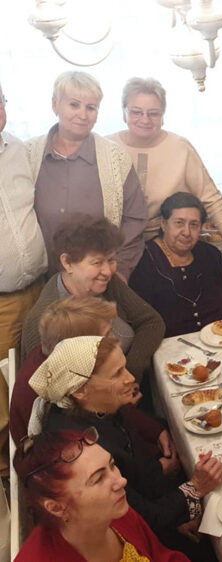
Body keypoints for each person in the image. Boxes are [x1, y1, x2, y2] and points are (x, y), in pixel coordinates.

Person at [28, 335, 222, 560]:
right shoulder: (81, 448)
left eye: (125, 367)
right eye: (117, 373)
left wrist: (180, 507)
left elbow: (140, 470)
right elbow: (140, 516)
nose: (131, 378)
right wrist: (195, 488)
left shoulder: (103, 406)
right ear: (80, 390)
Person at [27, 71, 147, 279]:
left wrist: (120, 271)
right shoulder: (28, 154)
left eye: (91, 107)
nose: (83, 115)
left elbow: (135, 220)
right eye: (74, 105)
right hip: (41, 281)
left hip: (100, 281)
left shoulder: (116, 158)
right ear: (55, 105)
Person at [19, 216, 165, 383]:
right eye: (97, 262)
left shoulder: (105, 283)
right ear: (67, 263)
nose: (108, 271)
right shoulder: (45, 321)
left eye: (111, 260)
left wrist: (130, 372)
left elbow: (152, 322)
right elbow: (53, 388)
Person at [14, 428, 190, 561]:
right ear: (56, 507)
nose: (121, 481)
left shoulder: (117, 513)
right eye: (98, 479)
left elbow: (162, 557)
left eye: (112, 465)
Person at [109, 77, 222, 253]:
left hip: (168, 244)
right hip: (117, 244)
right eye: (136, 112)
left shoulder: (180, 147)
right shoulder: (106, 148)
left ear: (163, 116)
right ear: (124, 113)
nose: (145, 119)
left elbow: (211, 198)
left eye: (153, 113)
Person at [0, 79, 48, 478]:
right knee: (6, 383)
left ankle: (44, 449)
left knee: (42, 372)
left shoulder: (21, 150)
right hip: (2, 300)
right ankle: (12, 468)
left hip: (41, 286)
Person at [10, 296, 117, 447]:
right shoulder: (48, 399)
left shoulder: (69, 363)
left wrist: (154, 430)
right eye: (105, 337)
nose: (114, 341)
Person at [129, 192, 222, 336]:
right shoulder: (145, 260)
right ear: (164, 224)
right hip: (171, 348)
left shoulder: (210, 255)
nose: (186, 232)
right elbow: (143, 321)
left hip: (220, 340)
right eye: (179, 223)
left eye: (194, 225)